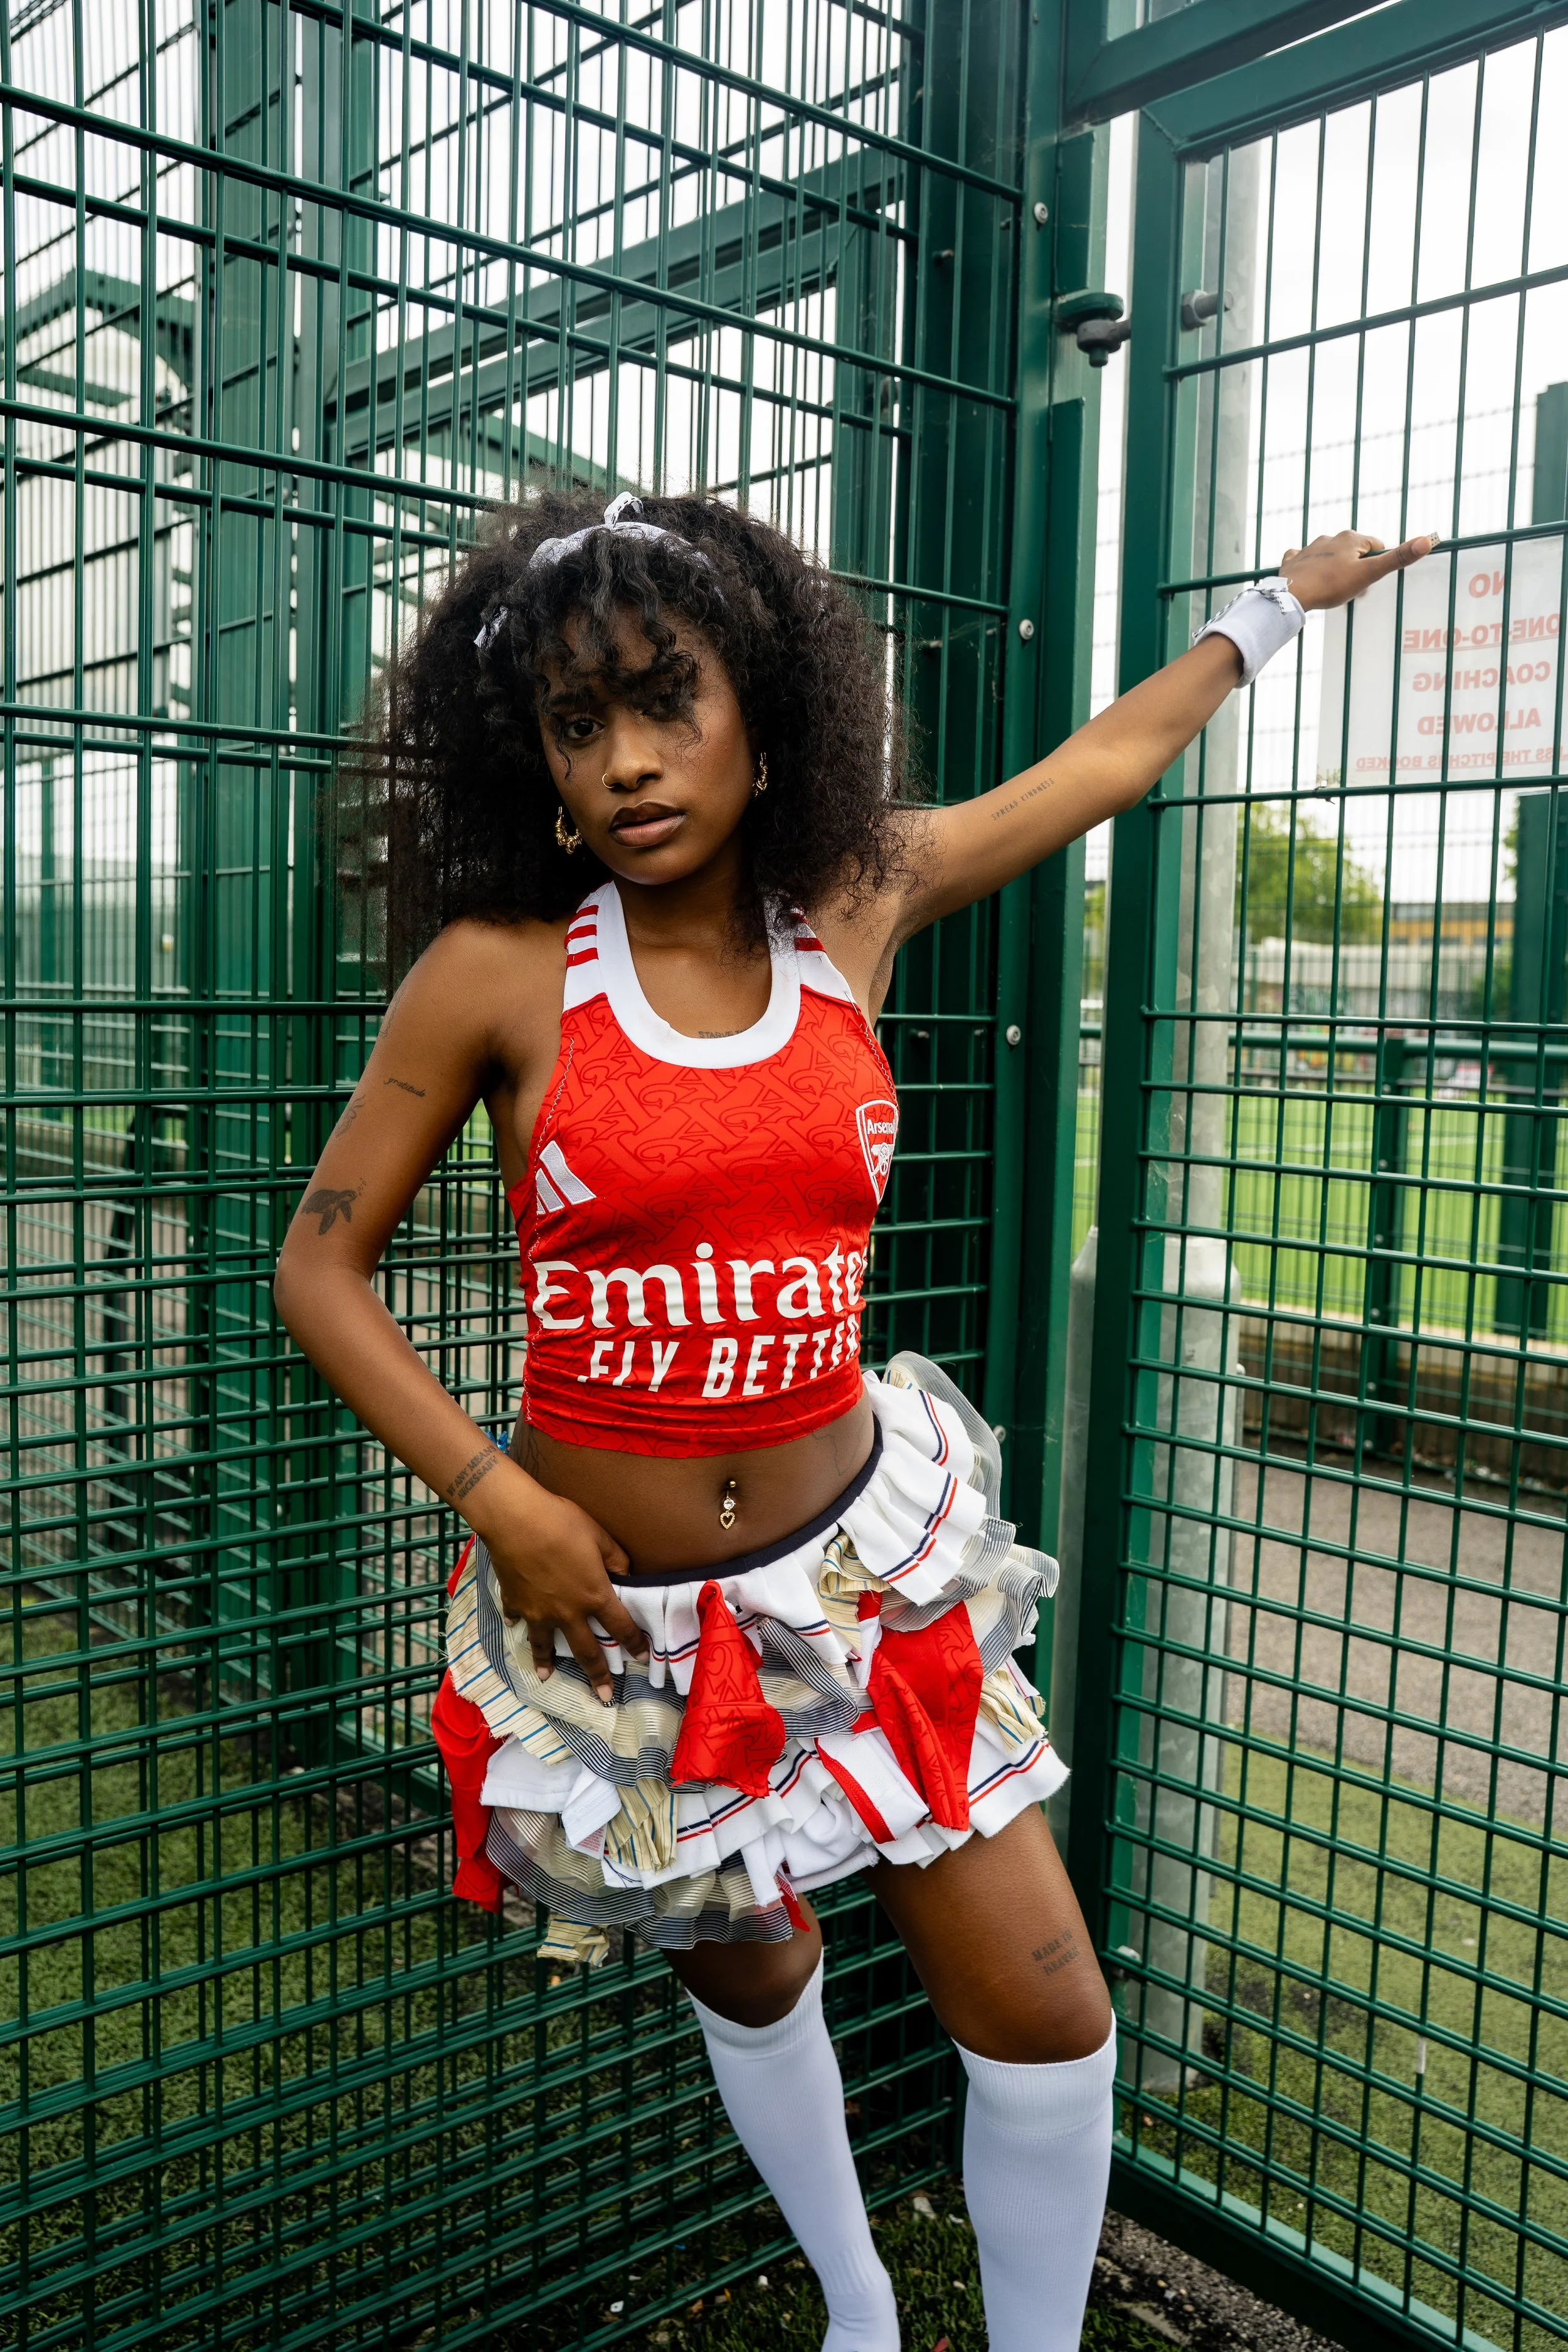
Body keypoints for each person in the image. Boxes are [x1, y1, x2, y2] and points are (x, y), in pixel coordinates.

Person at [273, 491, 1435, 2350]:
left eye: (667, 698)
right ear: (534, 763)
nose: (628, 760)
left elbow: (1101, 764)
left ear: (766, 708)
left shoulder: (854, 904)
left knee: (1047, 2014)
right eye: (577, 723)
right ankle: (860, 2306)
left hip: (863, 1591)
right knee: (752, 1971)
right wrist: (500, 1498)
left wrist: (1273, 609)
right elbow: (320, 1269)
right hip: (619, 1627)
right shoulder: (496, 970)